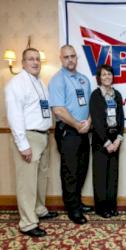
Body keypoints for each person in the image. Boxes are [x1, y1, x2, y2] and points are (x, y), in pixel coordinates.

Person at [5, 48, 58, 237]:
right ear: (22, 62)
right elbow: (14, 116)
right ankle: (27, 223)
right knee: (27, 182)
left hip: (43, 136)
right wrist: (23, 144)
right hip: (28, 137)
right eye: (30, 59)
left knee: (41, 178)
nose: (35, 62)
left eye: (37, 59)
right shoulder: (17, 83)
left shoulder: (40, 83)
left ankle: (39, 210)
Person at [48, 45, 93, 225]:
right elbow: (58, 110)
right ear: (61, 58)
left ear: (77, 58)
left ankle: (78, 202)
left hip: (83, 131)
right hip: (68, 132)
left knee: (82, 168)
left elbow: (91, 105)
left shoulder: (84, 80)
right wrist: (76, 124)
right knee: (70, 171)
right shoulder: (58, 80)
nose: (70, 59)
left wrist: (88, 122)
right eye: (66, 57)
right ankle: (72, 209)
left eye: (73, 56)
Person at [89, 64, 124, 218]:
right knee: (101, 175)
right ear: (99, 78)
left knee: (113, 175)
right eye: (104, 75)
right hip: (100, 140)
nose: (107, 77)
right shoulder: (96, 95)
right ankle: (102, 208)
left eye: (109, 74)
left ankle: (111, 206)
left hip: (115, 139)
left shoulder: (117, 95)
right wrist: (107, 142)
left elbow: (121, 118)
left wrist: (118, 139)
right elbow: (96, 121)